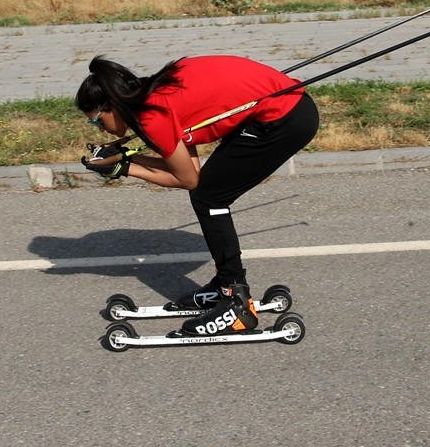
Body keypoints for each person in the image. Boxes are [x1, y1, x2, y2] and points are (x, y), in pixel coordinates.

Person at [76, 54, 319, 337]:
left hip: (284, 119)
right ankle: (225, 285)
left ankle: (236, 302)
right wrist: (126, 160)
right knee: (208, 193)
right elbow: (189, 169)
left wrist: (125, 167)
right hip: (288, 106)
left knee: (209, 198)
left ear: (113, 105)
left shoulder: (153, 117)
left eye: (96, 122)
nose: (99, 129)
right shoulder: (157, 90)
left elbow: (188, 179)